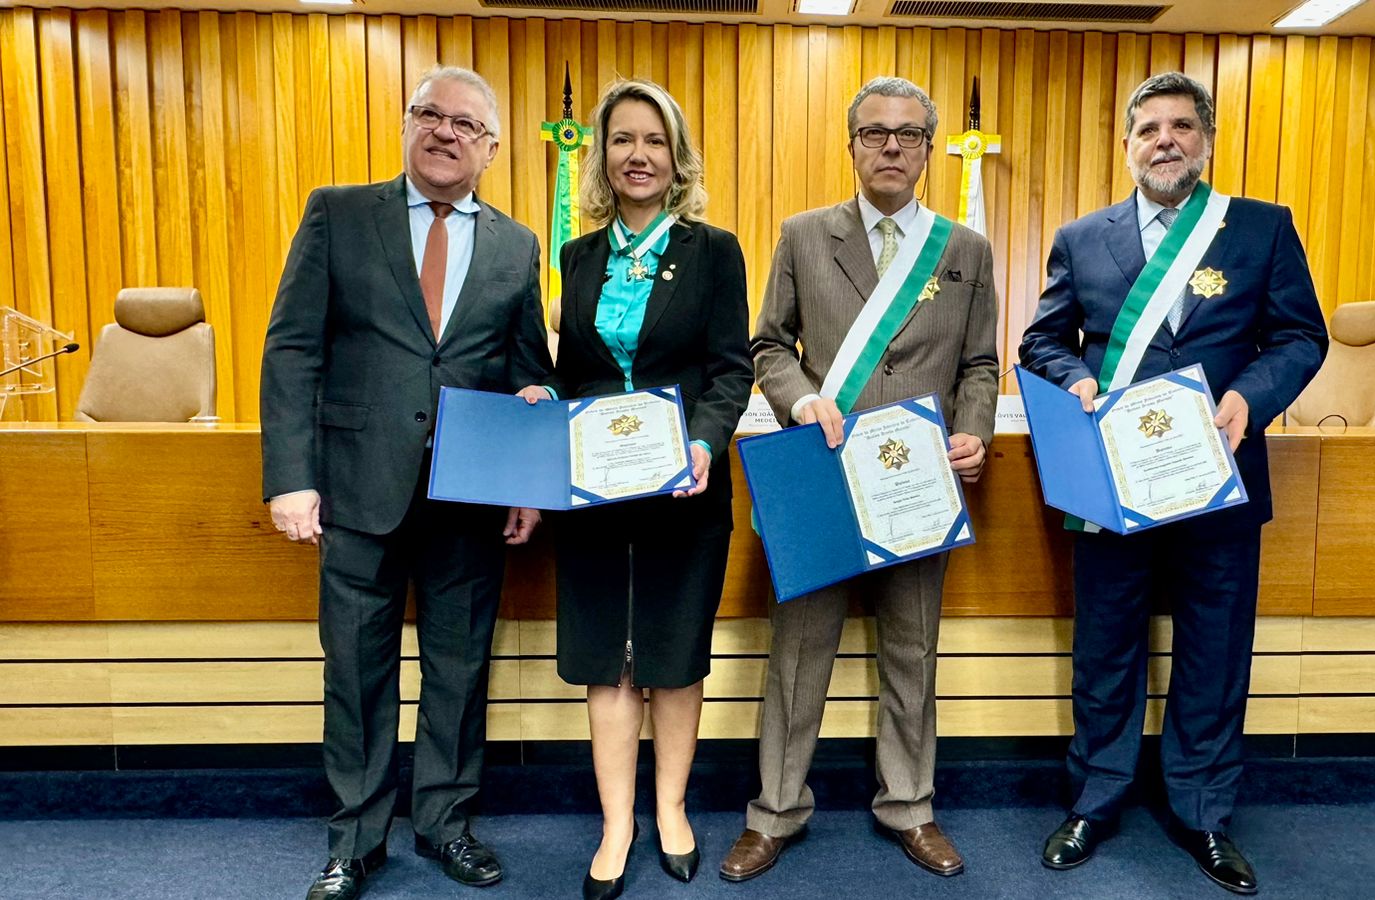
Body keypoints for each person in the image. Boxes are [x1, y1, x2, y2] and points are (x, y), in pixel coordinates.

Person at [1019, 71, 1328, 895]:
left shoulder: (1259, 229)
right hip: (1111, 480)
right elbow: (1042, 341)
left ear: (1207, 139)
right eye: (1149, 127)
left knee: (1213, 650)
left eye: (1182, 126)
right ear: (1127, 146)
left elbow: (1301, 337)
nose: (1166, 139)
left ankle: (1203, 811)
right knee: (1106, 646)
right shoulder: (1084, 237)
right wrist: (1075, 379)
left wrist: (1247, 399)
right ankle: (1098, 799)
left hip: (1219, 476)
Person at [261, 66, 553, 900]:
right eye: (431, 113)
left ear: (490, 149)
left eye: (466, 124)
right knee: (355, 666)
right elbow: (292, 349)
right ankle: (354, 839)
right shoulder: (339, 213)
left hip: (471, 492)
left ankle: (446, 825)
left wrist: (527, 481)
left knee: (460, 668)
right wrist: (291, 477)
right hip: (355, 486)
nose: (446, 131)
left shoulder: (515, 244)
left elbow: (527, 372)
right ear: (405, 123)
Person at [720, 75, 999, 883]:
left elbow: (979, 362)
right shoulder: (805, 235)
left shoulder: (965, 249)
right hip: (822, 472)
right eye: (874, 133)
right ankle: (774, 812)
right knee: (799, 652)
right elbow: (766, 345)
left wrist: (973, 430)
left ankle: (911, 807)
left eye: (908, 135)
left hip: (917, 485)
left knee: (914, 650)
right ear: (851, 147)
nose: (890, 147)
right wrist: (801, 398)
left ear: (926, 151)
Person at [524, 79, 752, 900]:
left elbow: (732, 369)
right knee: (605, 661)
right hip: (594, 490)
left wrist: (702, 441)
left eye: (654, 141)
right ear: (602, 156)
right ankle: (617, 823)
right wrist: (543, 394)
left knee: (673, 652)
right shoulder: (577, 257)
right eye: (622, 140)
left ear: (676, 155)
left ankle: (672, 809)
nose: (638, 156)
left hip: (686, 487)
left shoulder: (714, 251)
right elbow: (575, 371)